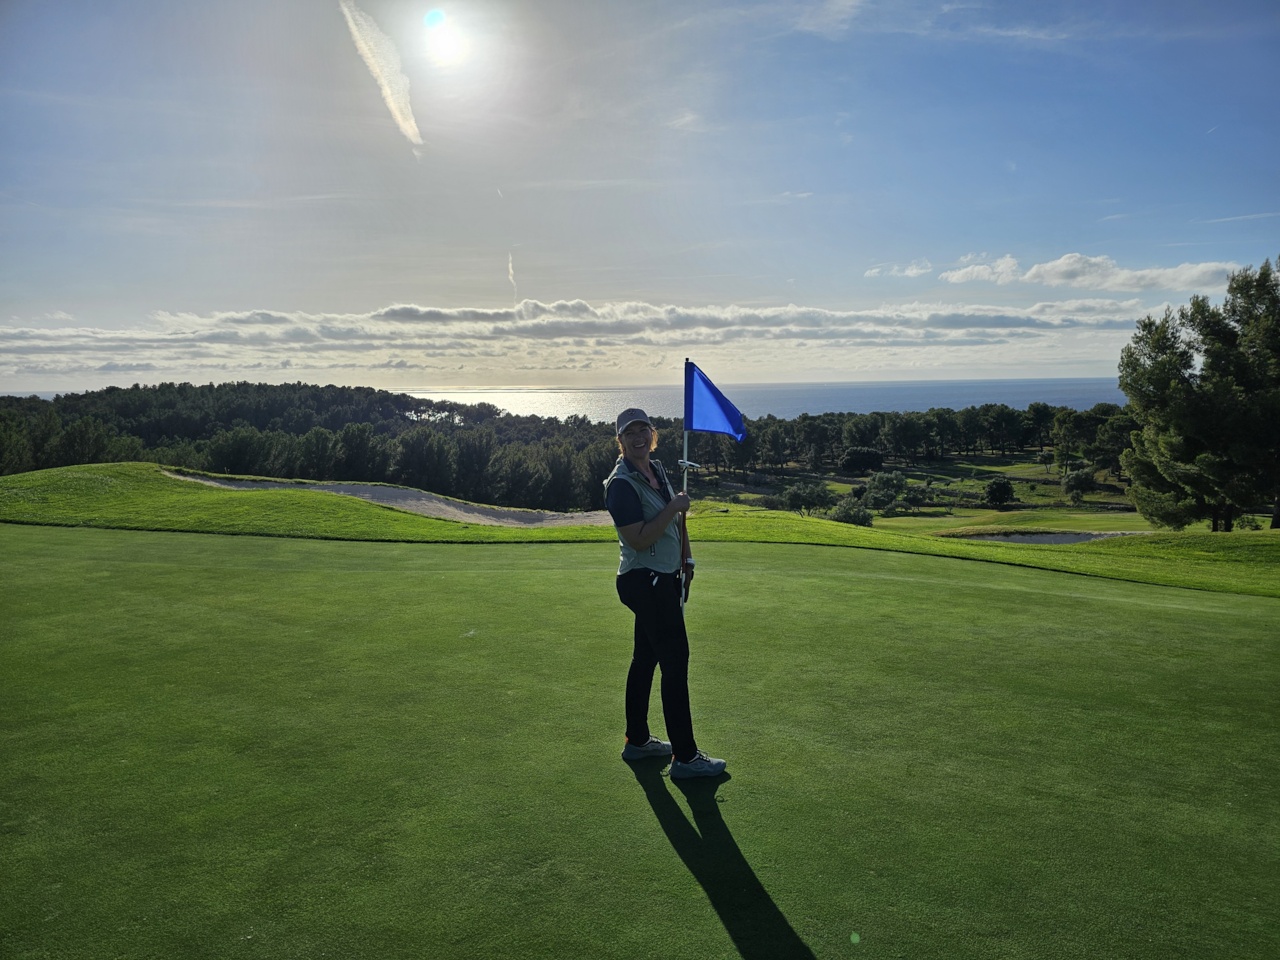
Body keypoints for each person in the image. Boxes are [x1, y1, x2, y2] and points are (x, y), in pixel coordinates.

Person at [604, 408, 727, 779]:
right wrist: (674, 505)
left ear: (652, 434)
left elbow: (676, 523)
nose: (638, 438)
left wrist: (686, 559)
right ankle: (686, 758)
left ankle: (638, 741)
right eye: (630, 433)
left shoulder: (656, 470)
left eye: (643, 430)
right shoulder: (620, 485)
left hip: (664, 578)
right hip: (644, 581)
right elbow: (639, 539)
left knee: (645, 658)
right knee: (675, 662)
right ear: (620, 441)